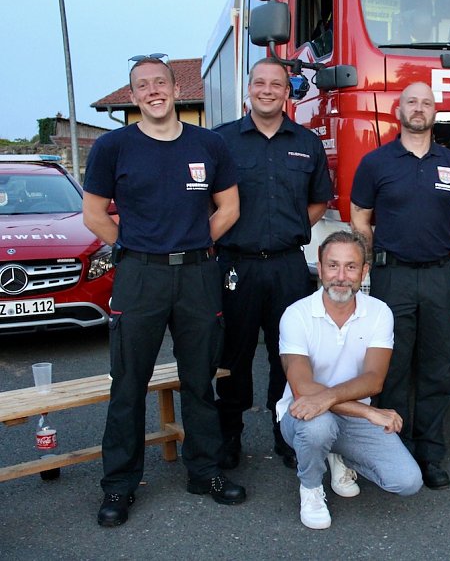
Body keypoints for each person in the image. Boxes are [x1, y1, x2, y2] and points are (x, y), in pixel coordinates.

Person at [82, 54, 245, 527]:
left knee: (200, 381)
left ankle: (205, 472)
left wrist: (193, 245)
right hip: (140, 277)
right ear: (133, 97)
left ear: (176, 89)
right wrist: (137, 250)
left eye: (160, 82)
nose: (153, 91)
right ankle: (118, 486)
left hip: (197, 276)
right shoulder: (113, 147)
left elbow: (229, 207)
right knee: (128, 385)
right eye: (142, 86)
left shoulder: (208, 144)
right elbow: (94, 215)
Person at [350, 81, 450, 490]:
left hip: (440, 276)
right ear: (398, 110)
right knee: (393, 368)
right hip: (393, 276)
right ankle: (393, 452)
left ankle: (430, 453)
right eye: (411, 102)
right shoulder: (376, 163)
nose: (418, 109)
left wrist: (446, 264)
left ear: (434, 112)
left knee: (438, 367)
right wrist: (371, 259)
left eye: (425, 103)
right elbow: (359, 216)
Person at [213, 58, 333, 471]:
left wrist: (292, 227)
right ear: (249, 88)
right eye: (259, 82)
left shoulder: (306, 141)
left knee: (290, 354)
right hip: (235, 266)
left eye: (276, 84)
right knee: (233, 354)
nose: (267, 90)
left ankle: (287, 434)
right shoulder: (221, 142)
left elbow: (320, 199)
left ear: (287, 91)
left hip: (287, 266)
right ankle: (229, 436)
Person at [276, 230, 423, 530]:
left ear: (364, 271)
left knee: (407, 481)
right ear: (319, 267)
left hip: (347, 416)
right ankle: (312, 488)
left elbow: (373, 380)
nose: (340, 276)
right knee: (318, 425)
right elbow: (303, 390)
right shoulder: (296, 314)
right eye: (333, 265)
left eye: (351, 266)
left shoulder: (379, 312)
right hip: (302, 416)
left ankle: (337, 453)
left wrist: (334, 399)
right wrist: (369, 411)